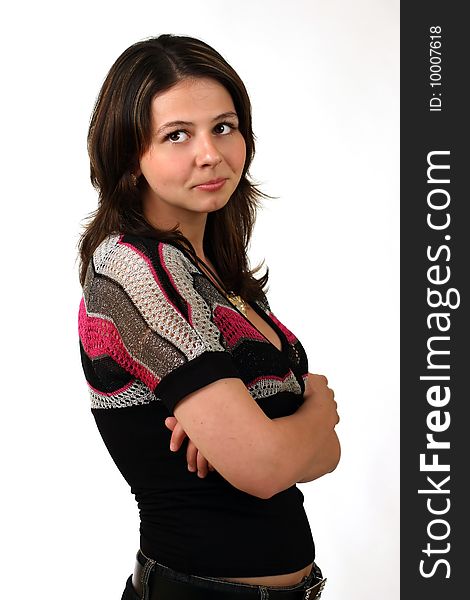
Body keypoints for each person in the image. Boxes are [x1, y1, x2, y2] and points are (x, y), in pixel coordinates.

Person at [77, 34, 340, 600]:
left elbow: (314, 455)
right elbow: (265, 466)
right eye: (177, 135)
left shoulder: (213, 273)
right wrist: (315, 413)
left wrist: (266, 433)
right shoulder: (132, 267)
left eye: (224, 126)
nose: (210, 153)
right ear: (129, 153)